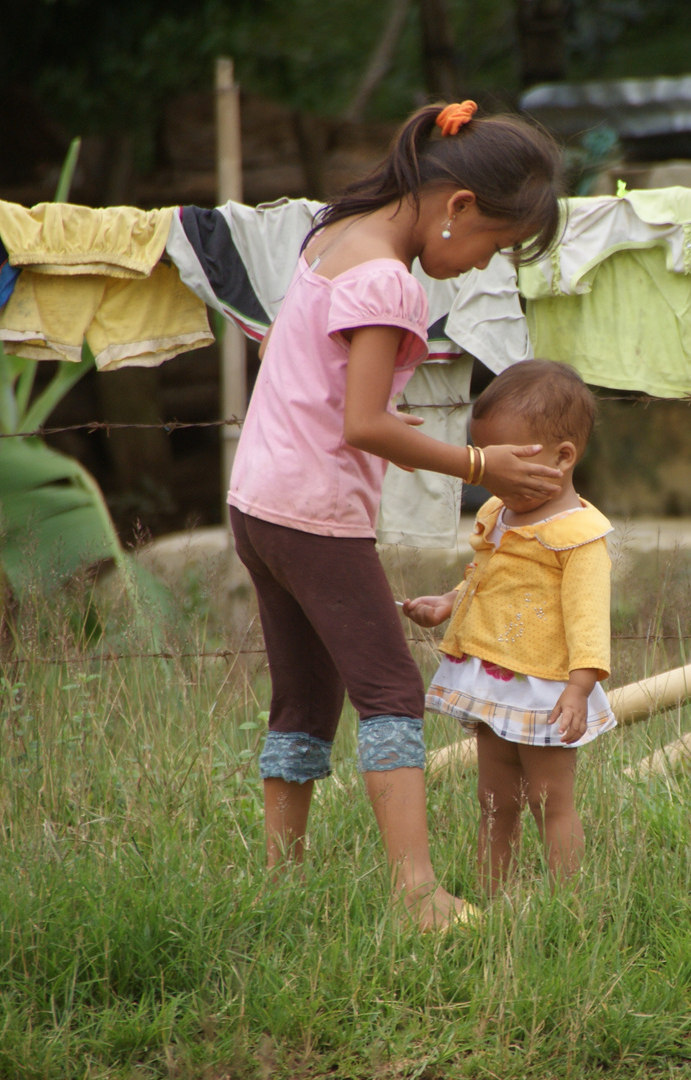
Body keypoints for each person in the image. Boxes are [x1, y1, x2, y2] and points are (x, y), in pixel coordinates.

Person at [227, 101, 564, 930]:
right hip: (315, 514)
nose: (487, 261)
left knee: (303, 699)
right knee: (387, 691)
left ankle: (278, 884)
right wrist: (481, 464)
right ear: (457, 207)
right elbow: (363, 424)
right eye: (495, 242)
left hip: (258, 503)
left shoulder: (334, 236)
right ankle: (418, 895)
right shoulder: (389, 280)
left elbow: (296, 359)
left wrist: (374, 419)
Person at [402, 360, 614, 896]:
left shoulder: (578, 534)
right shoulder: (501, 512)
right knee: (494, 801)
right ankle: (491, 899)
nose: (490, 480)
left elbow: (590, 616)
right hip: (493, 683)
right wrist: (449, 602)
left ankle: (572, 910)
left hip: (545, 688)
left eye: (505, 466)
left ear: (564, 457)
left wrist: (580, 686)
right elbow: (488, 575)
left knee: (550, 801)